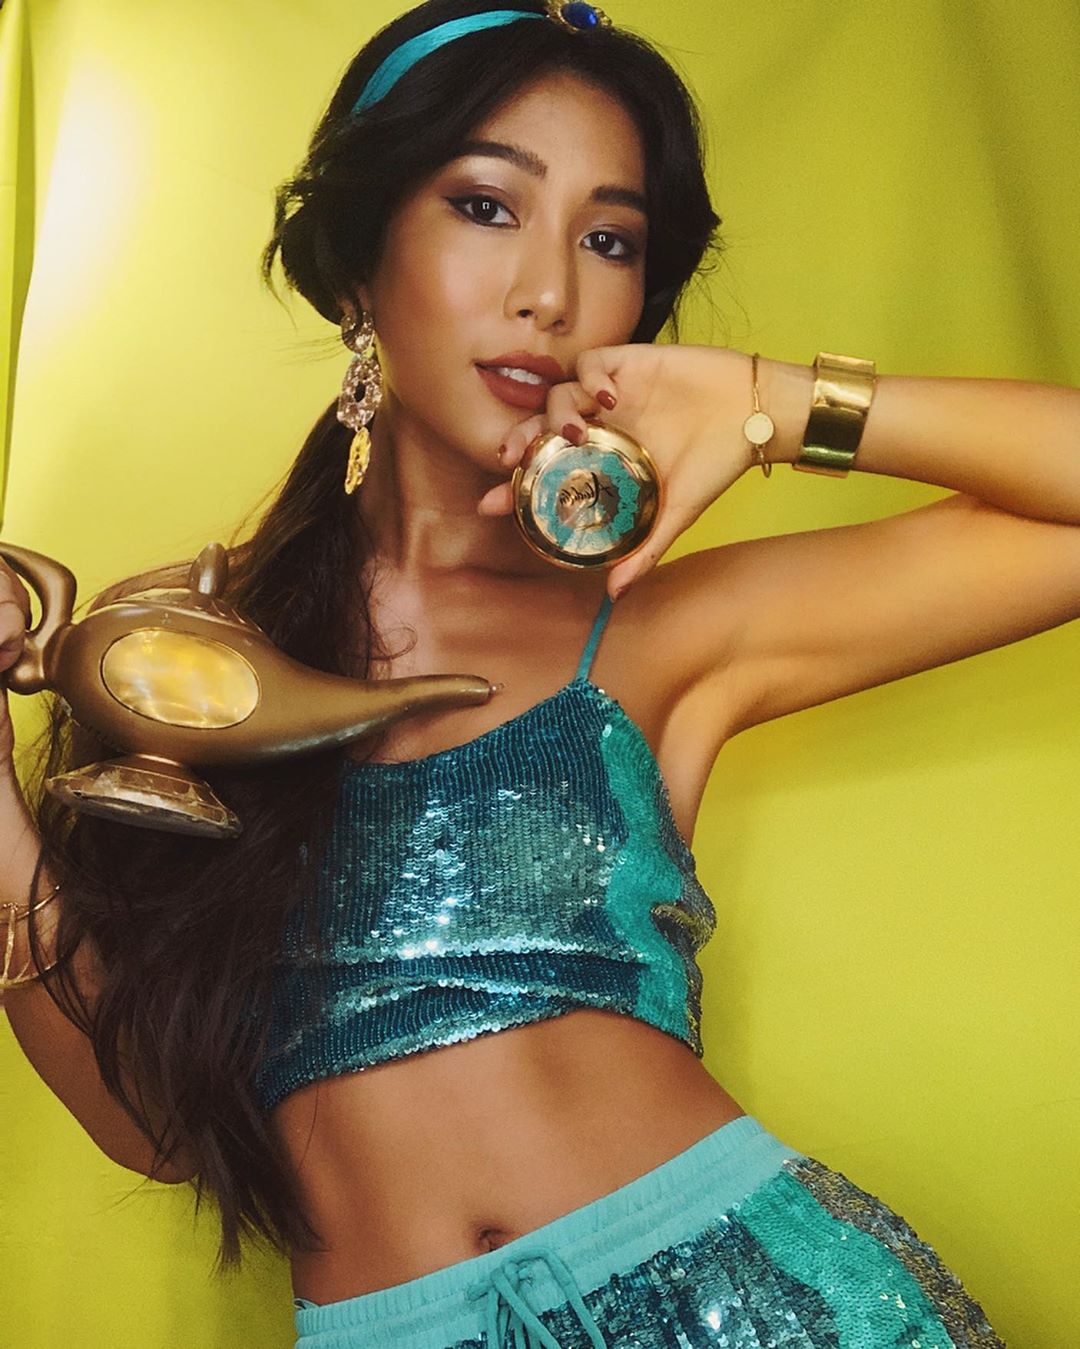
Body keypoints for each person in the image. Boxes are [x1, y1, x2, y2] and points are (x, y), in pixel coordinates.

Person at [2, 0, 1076, 1344]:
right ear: (360, 262)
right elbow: (152, 1123)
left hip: (745, 1305)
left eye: (608, 239)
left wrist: (775, 401)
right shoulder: (181, 656)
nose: (551, 291)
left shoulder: (654, 630)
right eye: (485, 206)